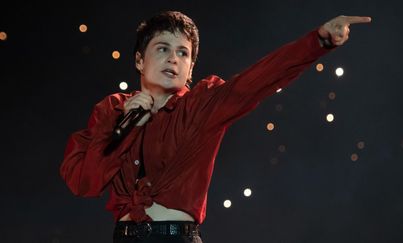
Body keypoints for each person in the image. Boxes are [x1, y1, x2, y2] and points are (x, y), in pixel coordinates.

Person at [60, 10, 371, 243]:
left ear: (191, 68)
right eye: (163, 48)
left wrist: (317, 42)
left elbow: (258, 81)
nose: (173, 59)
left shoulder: (203, 104)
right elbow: (83, 184)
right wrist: (123, 128)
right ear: (140, 60)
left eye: (183, 53)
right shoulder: (111, 109)